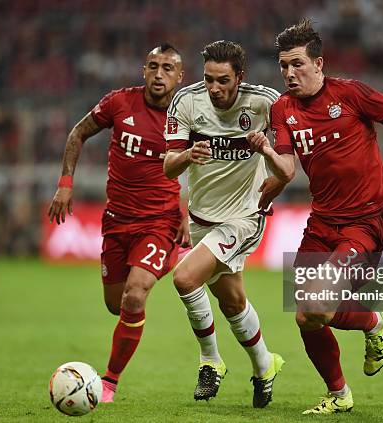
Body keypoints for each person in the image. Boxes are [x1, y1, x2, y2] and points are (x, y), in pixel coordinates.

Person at [246, 20, 383, 414]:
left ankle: (376, 322)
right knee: (305, 317)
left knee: (318, 307)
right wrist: (264, 175)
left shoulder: (350, 94)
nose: (289, 74)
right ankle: (339, 395)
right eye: (283, 66)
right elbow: (287, 168)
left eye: (296, 64)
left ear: (319, 63)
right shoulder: (282, 109)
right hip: (321, 221)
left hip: (363, 223)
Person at [47, 44, 188, 403]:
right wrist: (65, 185)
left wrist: (187, 212)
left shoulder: (188, 116)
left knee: (135, 294)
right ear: (143, 70)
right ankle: (150, 274)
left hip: (159, 221)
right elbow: (77, 134)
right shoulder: (119, 103)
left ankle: (109, 382)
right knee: (117, 305)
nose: (159, 74)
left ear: (179, 77)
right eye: (153, 66)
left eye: (168, 68)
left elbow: (202, 170)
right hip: (116, 221)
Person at [163, 40, 286, 408]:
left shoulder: (266, 102)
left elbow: (290, 159)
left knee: (184, 278)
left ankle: (210, 361)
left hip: (245, 218)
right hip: (202, 219)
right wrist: (187, 154)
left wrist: (273, 172)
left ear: (239, 78)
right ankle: (265, 365)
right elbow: (168, 167)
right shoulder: (187, 102)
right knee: (232, 302)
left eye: (223, 81)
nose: (214, 88)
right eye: (208, 79)